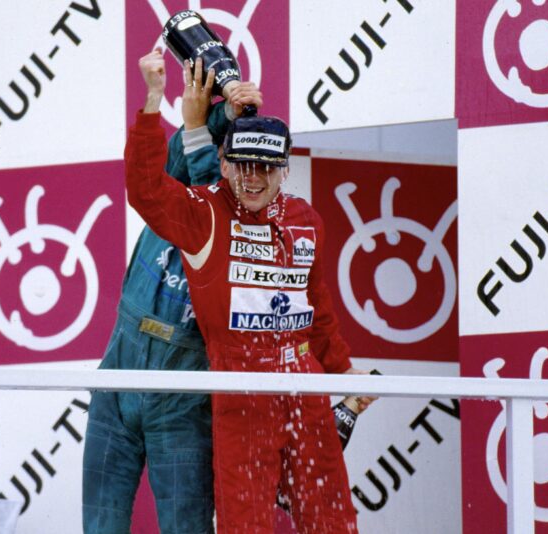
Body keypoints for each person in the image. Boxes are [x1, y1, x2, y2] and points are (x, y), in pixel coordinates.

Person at [124, 60, 374, 533]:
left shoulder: (305, 218)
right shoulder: (205, 214)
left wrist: (343, 371)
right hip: (241, 392)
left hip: (306, 387)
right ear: (223, 164)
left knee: (332, 521)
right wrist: (152, 103)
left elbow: (317, 311)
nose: (253, 178)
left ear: (284, 168)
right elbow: (145, 190)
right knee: (246, 524)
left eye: (266, 167)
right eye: (242, 165)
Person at [82, 49, 262, 534]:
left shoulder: (247, 229)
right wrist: (163, 99)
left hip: (183, 398)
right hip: (116, 382)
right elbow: (157, 170)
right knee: (99, 526)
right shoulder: (169, 193)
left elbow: (214, 196)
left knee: (187, 528)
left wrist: (228, 118)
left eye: (236, 162)